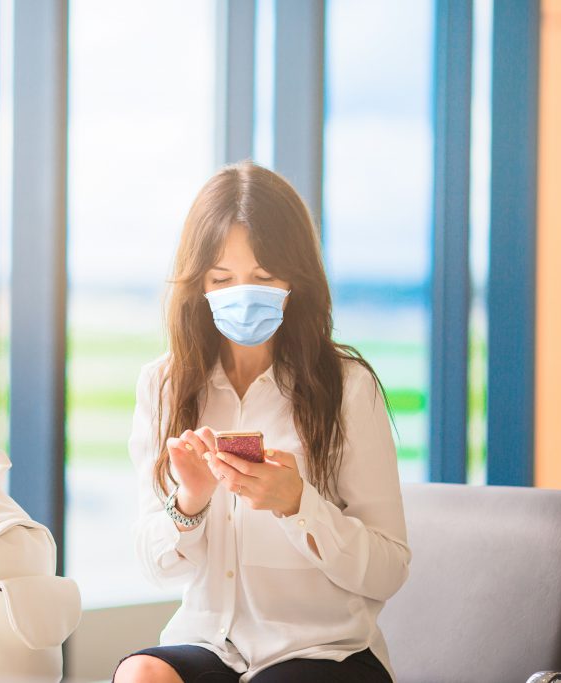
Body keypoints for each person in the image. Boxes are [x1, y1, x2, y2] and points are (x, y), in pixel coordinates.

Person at [112, 161, 411, 683]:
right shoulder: (164, 385)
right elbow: (156, 567)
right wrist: (190, 502)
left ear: (295, 279)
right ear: (198, 283)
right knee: (141, 674)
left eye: (263, 277)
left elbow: (390, 569)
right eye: (222, 279)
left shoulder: (347, 387)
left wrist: (299, 506)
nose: (242, 294)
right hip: (211, 643)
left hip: (326, 651)